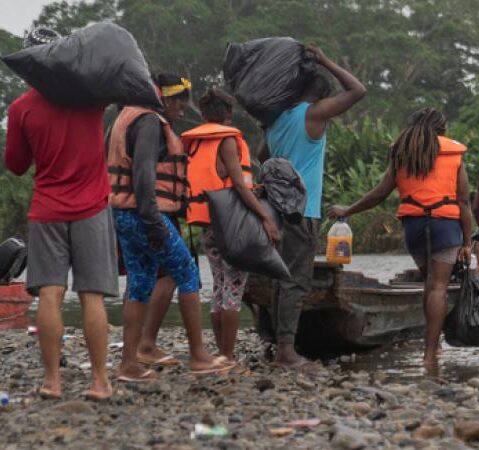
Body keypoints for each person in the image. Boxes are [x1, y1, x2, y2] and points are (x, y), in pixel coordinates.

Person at [4, 27, 115, 400]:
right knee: (92, 296)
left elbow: (16, 166)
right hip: (92, 208)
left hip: (46, 210)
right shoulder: (90, 98)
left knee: (49, 295)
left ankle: (52, 382)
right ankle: (99, 381)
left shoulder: (21, 108)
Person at [109, 74, 234, 380]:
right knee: (188, 273)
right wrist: (153, 221)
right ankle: (199, 356)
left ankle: (130, 363)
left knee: (140, 282)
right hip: (147, 214)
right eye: (178, 100)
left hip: (123, 213)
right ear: (162, 99)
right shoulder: (150, 122)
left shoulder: (124, 119)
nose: (181, 108)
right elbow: (143, 176)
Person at [327, 108, 472, 368]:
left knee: (430, 281)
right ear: (441, 129)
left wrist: (347, 210)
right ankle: (431, 353)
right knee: (439, 286)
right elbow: (463, 200)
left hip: (414, 225)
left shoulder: (402, 151)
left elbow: (380, 192)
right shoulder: (453, 153)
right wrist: (469, 242)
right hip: (446, 224)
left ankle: (432, 344)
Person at [264, 43, 366, 369]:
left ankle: (279, 343)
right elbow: (358, 90)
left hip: (273, 208)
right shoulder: (314, 113)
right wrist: (325, 59)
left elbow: (262, 157)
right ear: (319, 98)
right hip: (301, 211)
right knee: (296, 280)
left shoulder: (276, 119)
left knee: (280, 277)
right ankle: (285, 351)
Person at [182, 89, 280, 363]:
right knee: (234, 288)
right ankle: (226, 355)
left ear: (202, 114)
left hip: (207, 223)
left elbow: (223, 177)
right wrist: (264, 216)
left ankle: (220, 352)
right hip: (230, 225)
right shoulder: (226, 139)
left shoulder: (197, 142)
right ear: (228, 113)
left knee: (219, 286)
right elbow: (237, 183)